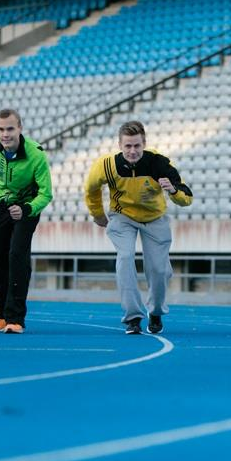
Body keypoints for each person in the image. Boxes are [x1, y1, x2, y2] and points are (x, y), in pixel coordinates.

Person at [84, 120, 193, 335]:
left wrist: (172, 191)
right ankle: (133, 316)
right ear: (120, 145)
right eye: (128, 146)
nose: (132, 151)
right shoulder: (106, 165)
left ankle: (156, 311)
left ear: (144, 144)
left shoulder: (158, 163)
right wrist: (98, 215)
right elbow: (91, 189)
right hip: (122, 216)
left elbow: (187, 198)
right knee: (125, 258)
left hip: (154, 218)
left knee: (159, 270)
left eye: (137, 146)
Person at [0, 108, 53, 334]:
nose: (5, 134)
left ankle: (16, 318)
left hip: (26, 207)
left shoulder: (36, 155)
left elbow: (46, 194)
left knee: (17, 255)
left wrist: (27, 208)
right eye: (1, 129)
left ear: (20, 128)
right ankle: (1, 316)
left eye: (10, 128)